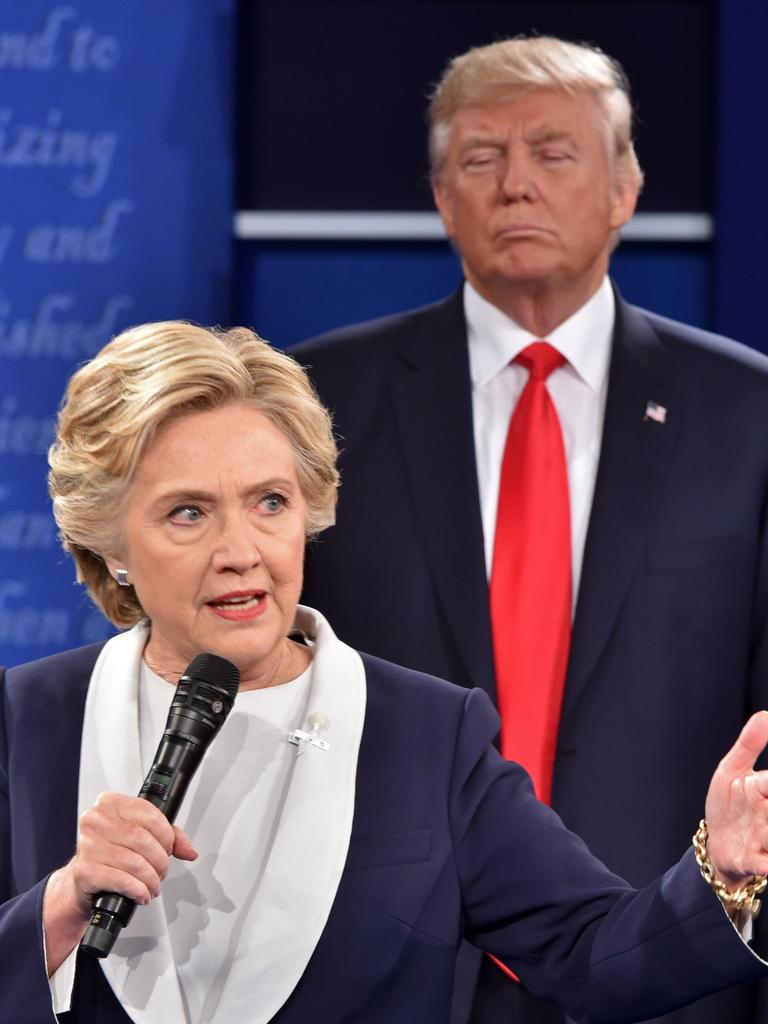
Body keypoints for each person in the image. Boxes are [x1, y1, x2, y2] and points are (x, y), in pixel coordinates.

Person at [1, 321, 768, 1024]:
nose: (243, 550)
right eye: (188, 513)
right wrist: (59, 907)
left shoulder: (427, 734)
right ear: (111, 547)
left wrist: (722, 877)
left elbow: (595, 954)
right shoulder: (28, 719)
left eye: (270, 502)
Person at [291, 35, 768, 1023]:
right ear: (440, 194)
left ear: (624, 187)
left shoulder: (748, 414)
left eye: (553, 154)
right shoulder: (314, 403)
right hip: (385, 970)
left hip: (678, 963)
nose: (516, 185)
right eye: (481, 158)